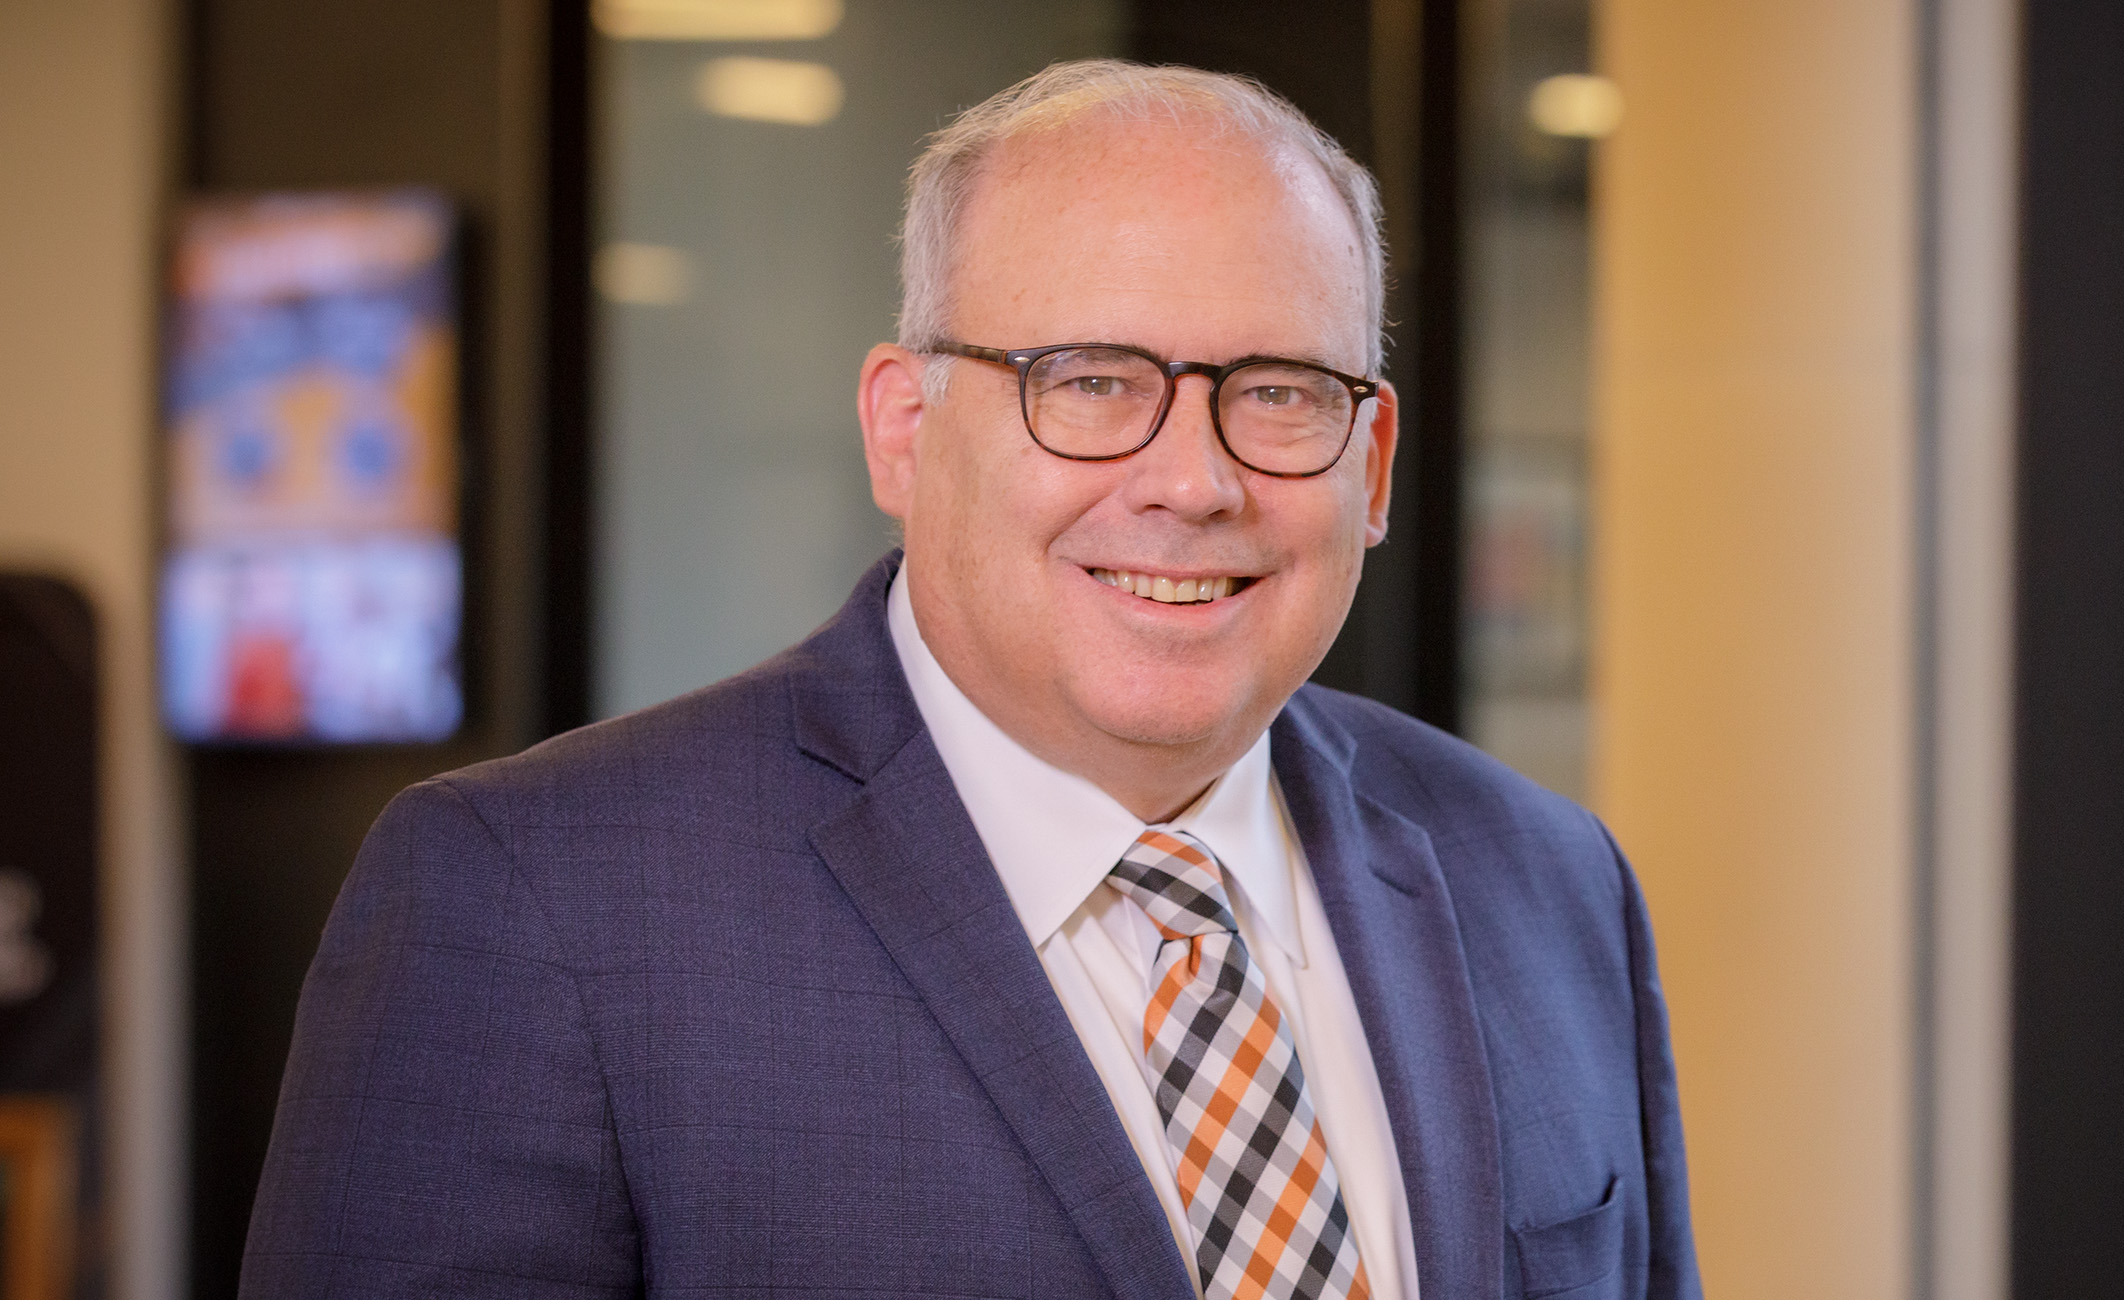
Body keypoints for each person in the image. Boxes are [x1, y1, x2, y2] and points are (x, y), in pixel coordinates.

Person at [242, 60, 1701, 1300]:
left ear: (1370, 467)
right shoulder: (534, 903)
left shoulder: (1547, 880)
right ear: (904, 429)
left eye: (1279, 394)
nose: (1193, 481)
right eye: (1092, 381)